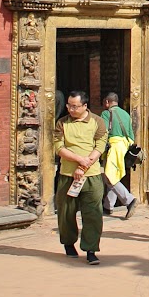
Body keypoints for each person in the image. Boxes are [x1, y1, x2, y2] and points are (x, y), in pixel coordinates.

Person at [54, 90, 108, 265]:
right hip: (67, 174)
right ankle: (69, 243)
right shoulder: (62, 123)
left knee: (93, 213)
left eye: (75, 106)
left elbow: (100, 145)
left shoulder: (97, 122)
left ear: (85, 106)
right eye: (69, 105)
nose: (71, 109)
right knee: (66, 212)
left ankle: (91, 249)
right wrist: (79, 160)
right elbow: (59, 147)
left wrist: (84, 166)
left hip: (91, 176)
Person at [100, 92, 138, 220]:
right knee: (114, 174)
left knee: (110, 176)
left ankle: (129, 200)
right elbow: (131, 134)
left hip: (114, 147)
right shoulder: (126, 114)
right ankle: (108, 205)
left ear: (107, 102)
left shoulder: (106, 113)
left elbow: (104, 132)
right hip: (125, 146)